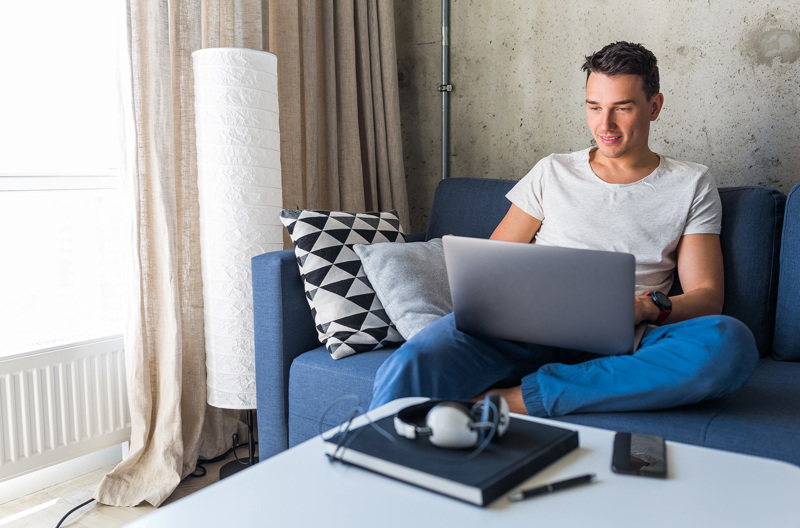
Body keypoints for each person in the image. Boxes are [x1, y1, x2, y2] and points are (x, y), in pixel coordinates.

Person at [369, 41, 758, 416]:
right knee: (413, 361)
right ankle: (369, 457)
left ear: (654, 106)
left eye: (622, 108)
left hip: (628, 339)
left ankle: (517, 399)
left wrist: (643, 307)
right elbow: (491, 266)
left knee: (729, 344)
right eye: (594, 107)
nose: (604, 125)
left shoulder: (692, 183)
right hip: (524, 330)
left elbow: (707, 297)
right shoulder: (552, 171)